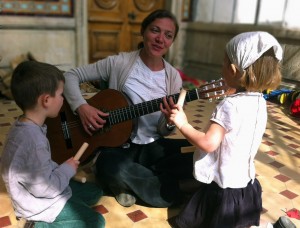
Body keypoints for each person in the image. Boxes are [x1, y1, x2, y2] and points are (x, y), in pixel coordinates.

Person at [63, 9, 194, 207]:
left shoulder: (173, 77)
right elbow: (70, 76)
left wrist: (168, 123)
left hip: (152, 145)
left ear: (172, 42)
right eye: (155, 31)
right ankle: (165, 189)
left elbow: (163, 130)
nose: (160, 39)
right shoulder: (119, 63)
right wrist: (81, 107)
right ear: (143, 32)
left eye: (168, 35)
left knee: (193, 154)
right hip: (119, 147)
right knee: (109, 166)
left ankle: (126, 184)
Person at [166, 31, 283, 227]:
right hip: (247, 187)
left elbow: (208, 143)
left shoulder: (229, 106)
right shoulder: (260, 103)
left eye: (223, 63)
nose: (221, 69)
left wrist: (182, 123)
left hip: (224, 190)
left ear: (232, 69)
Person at [1, 61, 105, 227]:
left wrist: (61, 170)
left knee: (95, 192)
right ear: (46, 100)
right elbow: (46, 188)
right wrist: (68, 169)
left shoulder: (25, 124)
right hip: (38, 204)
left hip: (41, 186)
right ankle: (39, 224)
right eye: (61, 94)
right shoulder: (33, 141)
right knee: (96, 221)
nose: (63, 99)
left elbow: (39, 170)